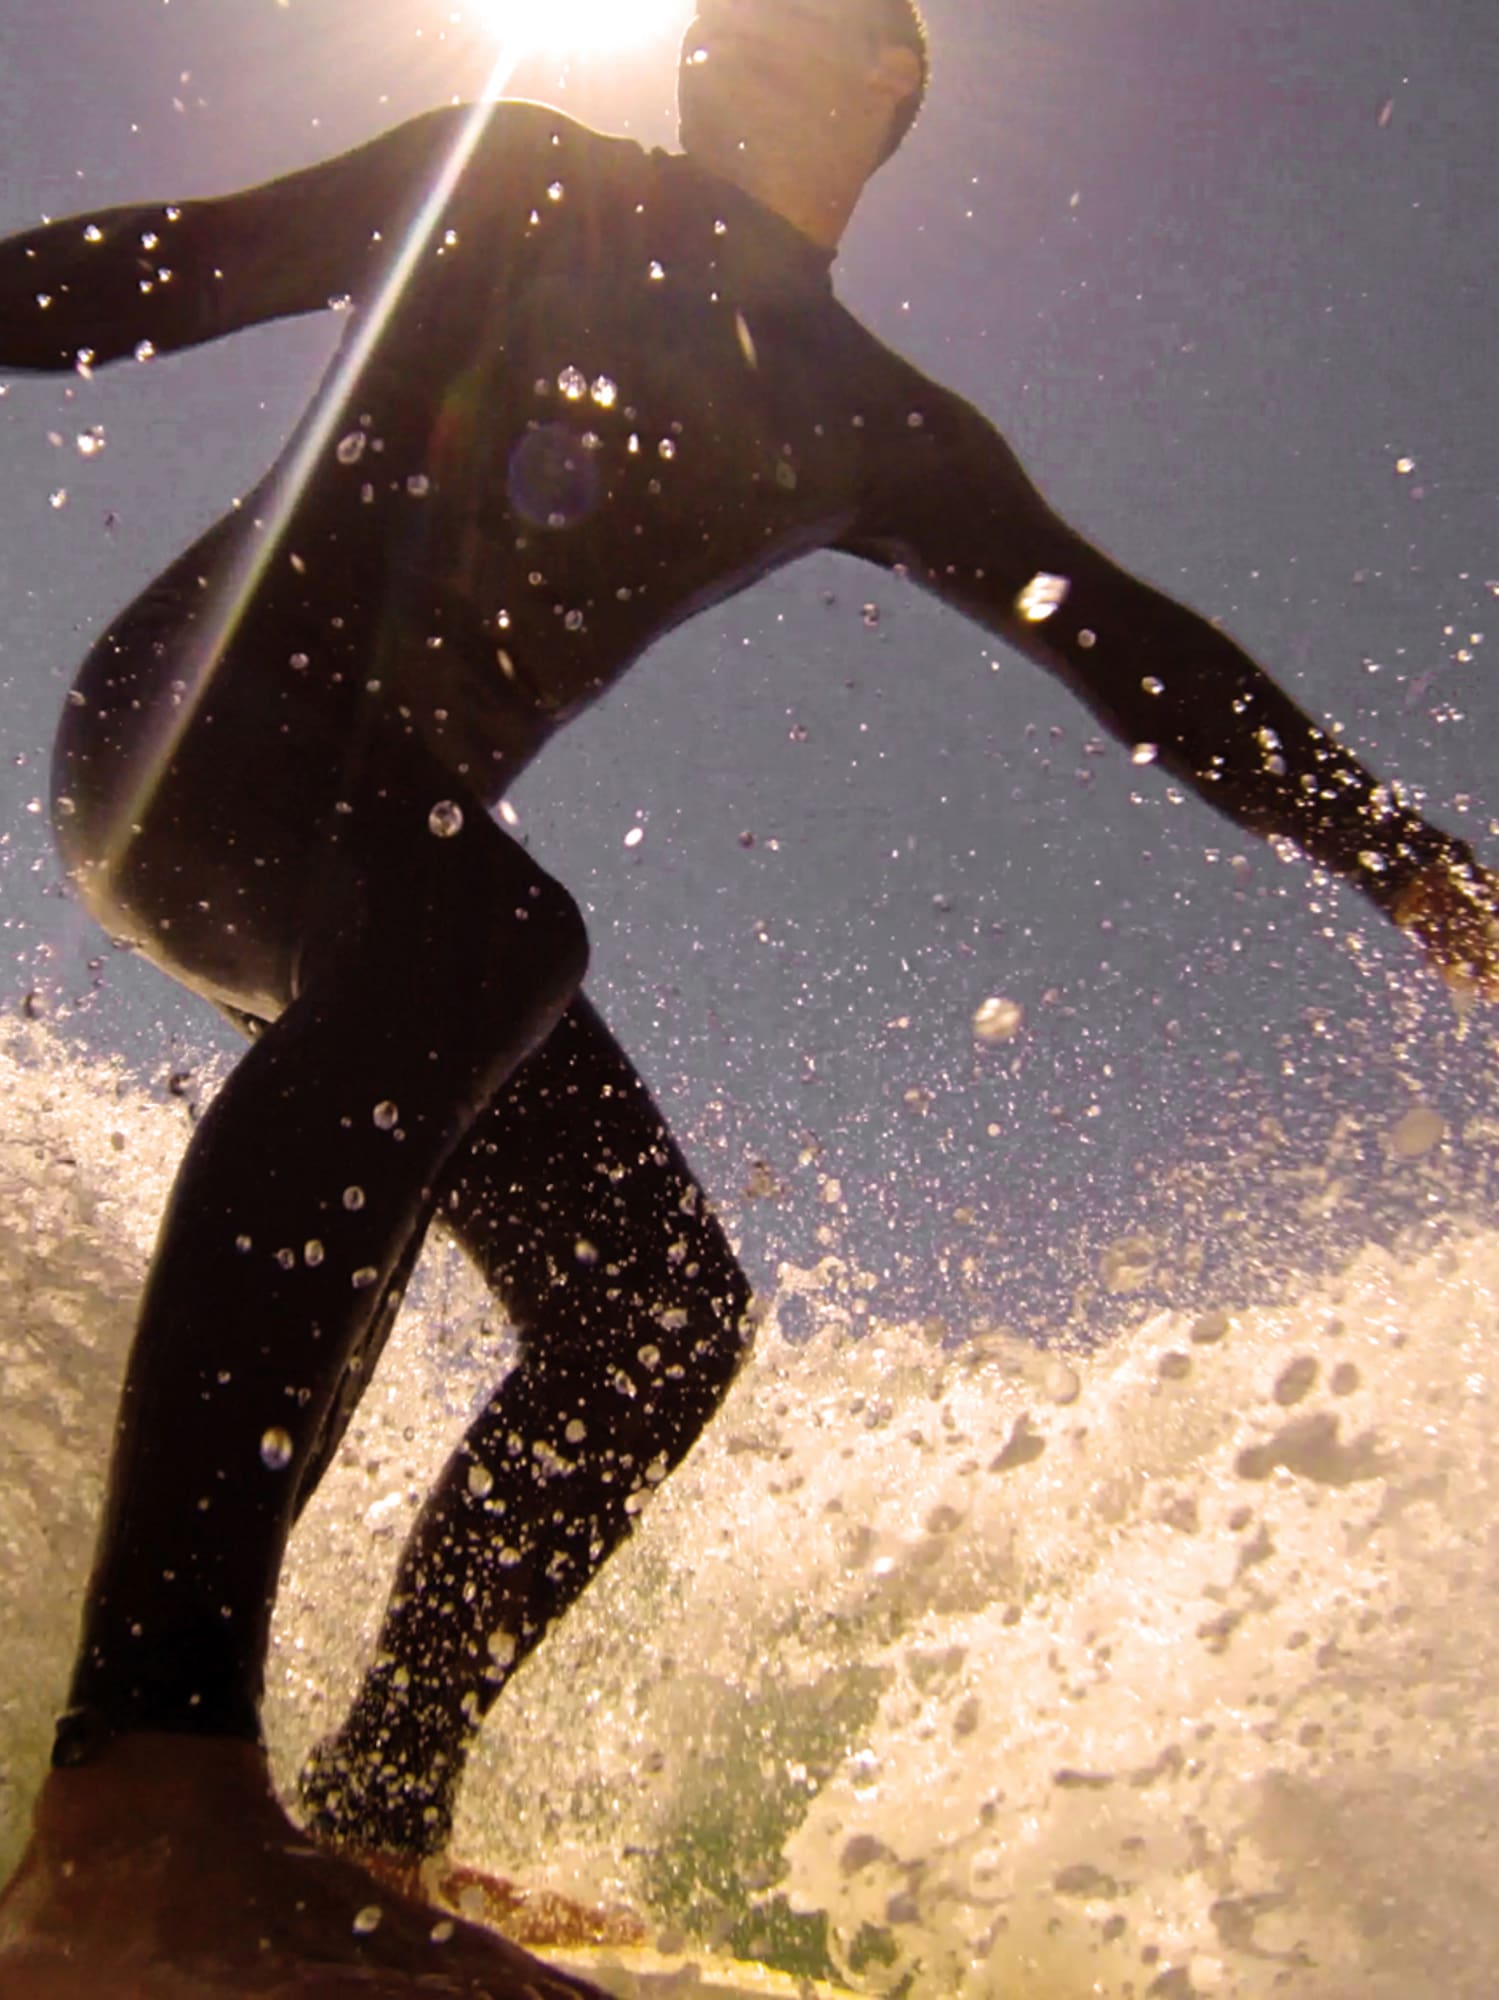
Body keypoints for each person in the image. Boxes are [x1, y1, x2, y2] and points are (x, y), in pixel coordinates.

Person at [1, 0, 1495, 1988]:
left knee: (657, 1313)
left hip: (391, 869)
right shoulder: (520, 169)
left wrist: (1393, 847)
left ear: (893, 88)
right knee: (491, 937)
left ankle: (379, 1815)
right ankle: (142, 1799)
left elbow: (1138, 649)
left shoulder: (881, 427)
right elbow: (181, 265)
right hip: (199, 741)